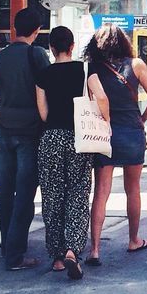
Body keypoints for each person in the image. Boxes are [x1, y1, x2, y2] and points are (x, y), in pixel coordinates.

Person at [0, 7, 50, 270]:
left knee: (5, 193)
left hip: (4, 133)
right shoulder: (37, 54)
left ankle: (6, 245)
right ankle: (15, 256)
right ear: (37, 30)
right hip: (31, 135)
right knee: (25, 197)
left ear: (15, 28)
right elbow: (48, 90)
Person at [84, 26, 147, 264]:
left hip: (103, 134)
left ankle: (95, 249)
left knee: (101, 192)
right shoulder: (136, 65)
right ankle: (133, 239)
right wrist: (142, 119)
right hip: (131, 133)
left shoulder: (92, 68)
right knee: (133, 189)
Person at [36, 26, 98, 281]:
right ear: (72, 46)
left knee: (52, 197)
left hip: (51, 138)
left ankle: (58, 258)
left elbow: (42, 112)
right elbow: (101, 97)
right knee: (78, 193)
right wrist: (104, 119)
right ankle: (73, 249)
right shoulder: (84, 71)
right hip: (79, 139)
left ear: (51, 48)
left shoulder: (44, 74)